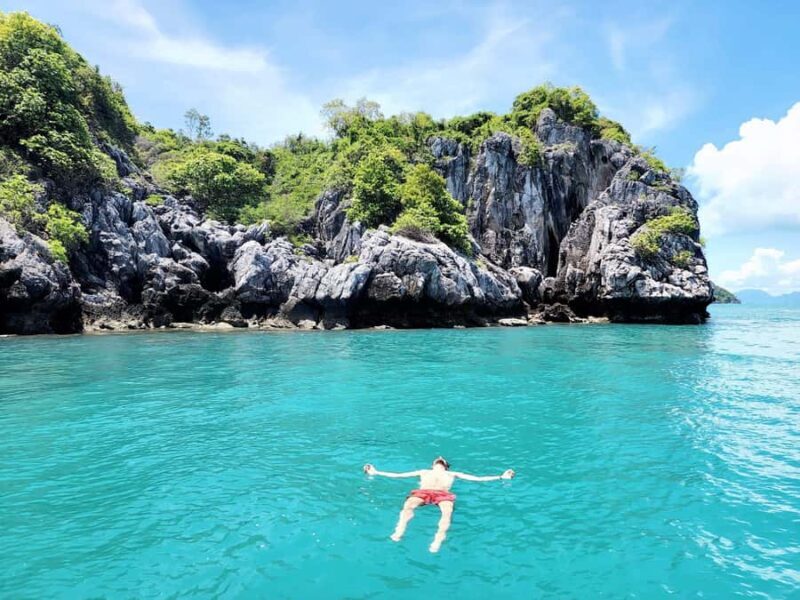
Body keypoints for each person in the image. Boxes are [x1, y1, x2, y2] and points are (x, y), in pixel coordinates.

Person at [363, 456, 515, 552]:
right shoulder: (424, 471)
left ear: (445, 465)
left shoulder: (452, 473)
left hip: (443, 494)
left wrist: (500, 477)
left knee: (447, 513)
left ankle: (438, 539)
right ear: (433, 464)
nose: (440, 459)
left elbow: (477, 478)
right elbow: (398, 475)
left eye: (442, 460)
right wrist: (376, 472)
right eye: (438, 459)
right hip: (423, 492)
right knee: (408, 506)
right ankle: (399, 531)